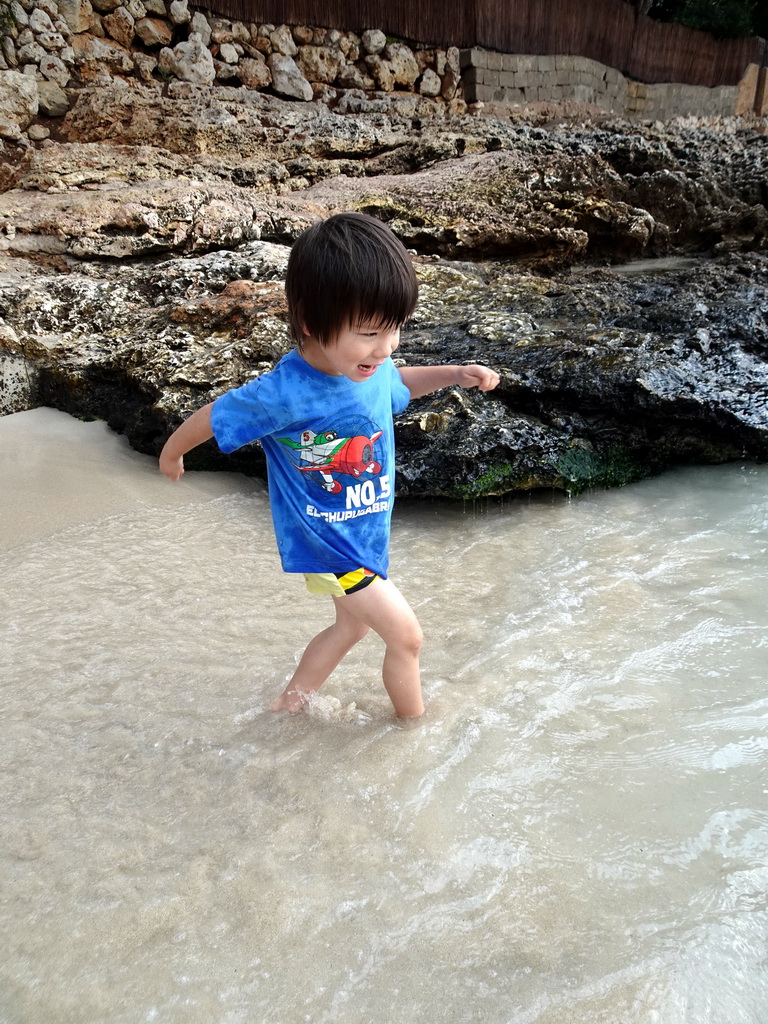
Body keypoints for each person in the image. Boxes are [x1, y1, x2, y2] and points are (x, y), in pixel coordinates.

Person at [159, 213, 499, 719]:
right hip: (330, 545)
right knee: (406, 637)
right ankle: (415, 731)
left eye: (395, 329)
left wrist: (454, 374)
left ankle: (288, 705)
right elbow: (217, 414)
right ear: (311, 324)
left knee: (352, 628)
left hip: (364, 533)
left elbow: (399, 384)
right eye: (369, 333)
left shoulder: (372, 367)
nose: (385, 348)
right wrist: (173, 452)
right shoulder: (284, 392)